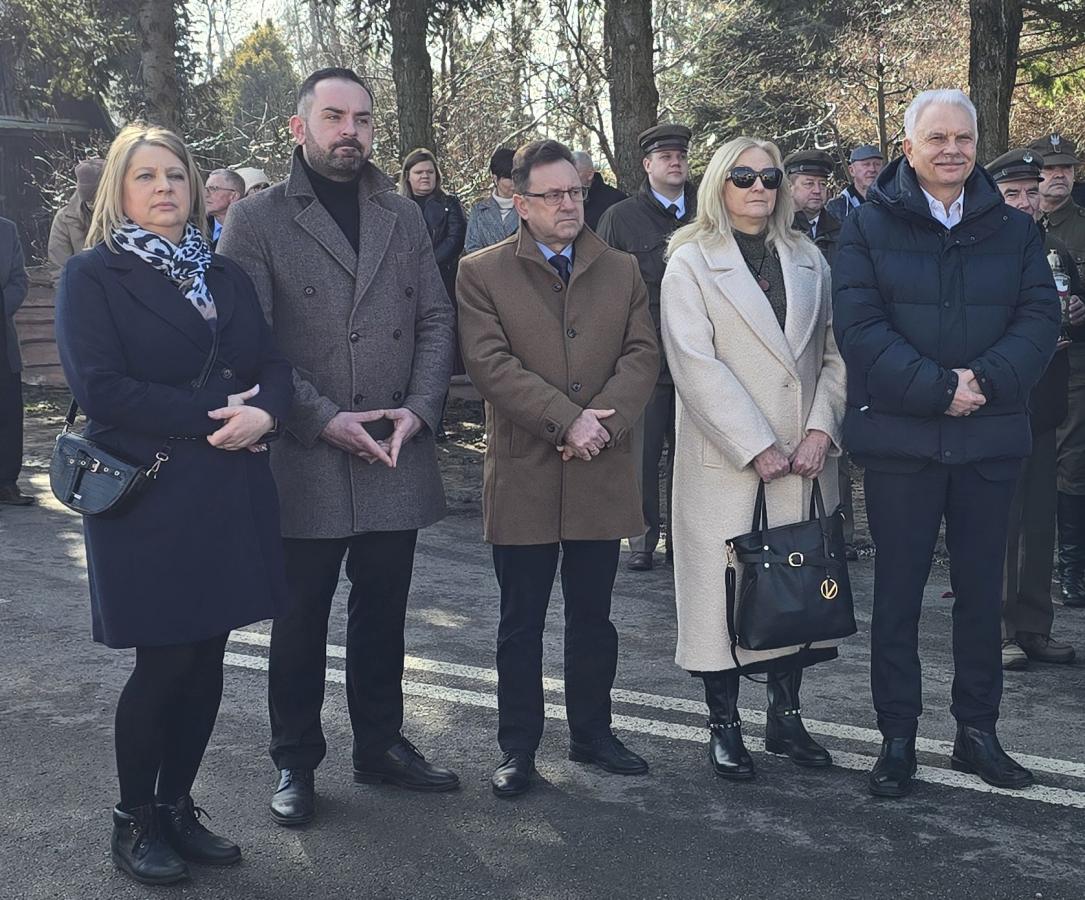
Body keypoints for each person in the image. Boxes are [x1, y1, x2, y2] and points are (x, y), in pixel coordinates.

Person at [53, 124, 293, 885]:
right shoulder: (92, 275)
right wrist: (220, 414)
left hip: (228, 488)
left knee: (209, 655)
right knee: (165, 661)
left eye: (176, 176)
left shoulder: (224, 275)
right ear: (118, 190)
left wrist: (269, 412)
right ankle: (134, 821)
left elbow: (273, 362)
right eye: (145, 176)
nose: (164, 188)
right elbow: (101, 390)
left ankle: (177, 805)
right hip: (148, 494)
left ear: (194, 189)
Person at [218, 67, 457, 826]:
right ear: (299, 128)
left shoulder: (402, 213)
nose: (349, 131)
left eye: (361, 118)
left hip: (392, 443)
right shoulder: (255, 219)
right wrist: (322, 420)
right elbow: (248, 343)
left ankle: (380, 745)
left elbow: (434, 319)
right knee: (300, 621)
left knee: (383, 613)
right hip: (305, 449)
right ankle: (294, 760)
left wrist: (419, 409)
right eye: (333, 117)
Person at [834, 90, 1059, 798]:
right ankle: (897, 737)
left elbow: (1038, 317)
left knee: (980, 599)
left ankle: (977, 734)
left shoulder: (1014, 228)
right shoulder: (866, 226)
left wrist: (981, 382)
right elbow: (859, 327)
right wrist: (938, 389)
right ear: (908, 147)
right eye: (936, 138)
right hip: (902, 443)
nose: (951, 150)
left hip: (989, 440)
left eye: (962, 137)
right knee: (897, 597)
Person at [457, 139, 659, 798]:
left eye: (575, 191)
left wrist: (601, 425)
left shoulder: (621, 269)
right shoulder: (481, 273)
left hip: (600, 466)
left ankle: (592, 734)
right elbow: (489, 364)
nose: (569, 204)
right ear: (521, 204)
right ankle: (517, 748)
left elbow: (641, 355)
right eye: (553, 195)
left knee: (593, 618)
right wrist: (566, 420)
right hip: (526, 473)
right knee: (521, 622)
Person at [660, 137, 846, 782]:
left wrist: (821, 429)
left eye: (770, 177)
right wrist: (756, 444)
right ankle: (724, 726)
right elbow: (694, 365)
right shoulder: (689, 261)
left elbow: (833, 355)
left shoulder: (808, 257)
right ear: (720, 183)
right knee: (723, 598)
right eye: (743, 177)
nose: (759, 187)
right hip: (729, 460)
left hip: (804, 458)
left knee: (794, 589)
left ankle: (785, 719)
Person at [988, 148, 1081, 670]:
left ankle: (1033, 626)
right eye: (1012, 193)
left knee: (1039, 523)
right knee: (1001, 522)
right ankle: (998, 628)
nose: (1025, 201)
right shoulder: (979, 250)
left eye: (1031, 190)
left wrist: (1076, 313)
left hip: (1045, 400)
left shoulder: (1053, 250)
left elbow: (1068, 306)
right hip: (999, 402)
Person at [597, 124, 697, 571]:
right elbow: (601, 288)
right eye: (666, 157)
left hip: (699, 353)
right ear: (647, 164)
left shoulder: (708, 211)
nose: (675, 163)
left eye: (681, 156)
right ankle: (641, 540)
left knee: (691, 457)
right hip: (644, 356)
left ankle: (685, 541)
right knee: (642, 454)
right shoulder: (620, 218)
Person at [784, 148, 853, 557]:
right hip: (795, 354)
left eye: (822, 184)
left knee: (832, 447)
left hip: (836, 342)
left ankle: (839, 532)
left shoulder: (841, 230)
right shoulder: (780, 231)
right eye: (808, 183)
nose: (817, 191)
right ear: (790, 187)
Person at [1030, 134, 1085, 608]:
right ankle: (1029, 568)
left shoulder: (1081, 228)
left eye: (1067, 168)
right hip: (1022, 368)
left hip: (1073, 363)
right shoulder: (1010, 225)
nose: (1059, 176)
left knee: (1071, 465)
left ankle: (1071, 569)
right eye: (1050, 169)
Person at [399, 147, 466, 303]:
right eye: (419, 172)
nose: (425, 176)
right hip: (404, 282)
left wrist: (426, 263)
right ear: (407, 176)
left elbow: (455, 239)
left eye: (430, 172)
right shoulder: (396, 207)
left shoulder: (449, 203)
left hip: (443, 280)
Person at [0, 215, 31, 506]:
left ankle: (6, 483)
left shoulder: (7, 230)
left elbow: (19, 280)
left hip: (2, 339)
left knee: (8, 413)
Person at [48, 158, 105, 270]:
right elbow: (59, 267)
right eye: (88, 201)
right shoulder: (65, 219)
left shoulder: (129, 214)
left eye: (96, 199)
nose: (92, 205)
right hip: (79, 280)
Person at [464, 148, 519, 253]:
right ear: (495, 179)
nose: (515, 183)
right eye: (510, 178)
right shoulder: (479, 211)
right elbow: (472, 247)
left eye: (518, 177)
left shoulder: (528, 207)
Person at [825, 144, 884, 221]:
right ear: (852, 170)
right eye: (866, 164)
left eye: (877, 164)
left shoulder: (891, 200)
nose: (872, 169)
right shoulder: (838, 207)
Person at [572, 150, 626, 230]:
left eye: (574, 174)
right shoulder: (566, 200)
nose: (568, 179)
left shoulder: (617, 201)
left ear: (590, 174)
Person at [204, 168, 245, 248]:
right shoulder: (194, 225)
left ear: (233, 196)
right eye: (206, 189)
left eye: (213, 189)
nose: (206, 194)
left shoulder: (248, 231)